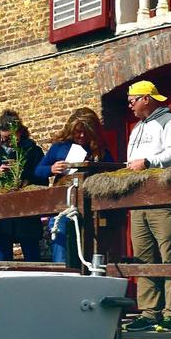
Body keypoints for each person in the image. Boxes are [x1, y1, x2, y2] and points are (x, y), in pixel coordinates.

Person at [120, 82, 171, 332]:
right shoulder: (137, 127)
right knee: (143, 255)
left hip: (161, 196)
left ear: (146, 99)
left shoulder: (168, 121)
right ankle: (149, 311)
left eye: (132, 100)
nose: (130, 104)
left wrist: (148, 161)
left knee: (169, 253)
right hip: (138, 197)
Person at [34, 107, 113, 266]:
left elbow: (112, 170)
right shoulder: (60, 147)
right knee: (62, 251)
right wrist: (51, 169)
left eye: (85, 132)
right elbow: (37, 171)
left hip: (90, 207)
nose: (82, 136)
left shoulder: (99, 149)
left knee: (89, 252)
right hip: (63, 206)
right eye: (78, 132)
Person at [0, 110, 46, 262]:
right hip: (1, 217)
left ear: (19, 133)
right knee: (2, 261)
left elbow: (42, 180)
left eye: (10, 138)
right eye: (3, 139)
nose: (7, 143)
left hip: (26, 214)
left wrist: (21, 172)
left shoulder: (33, 151)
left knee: (33, 259)